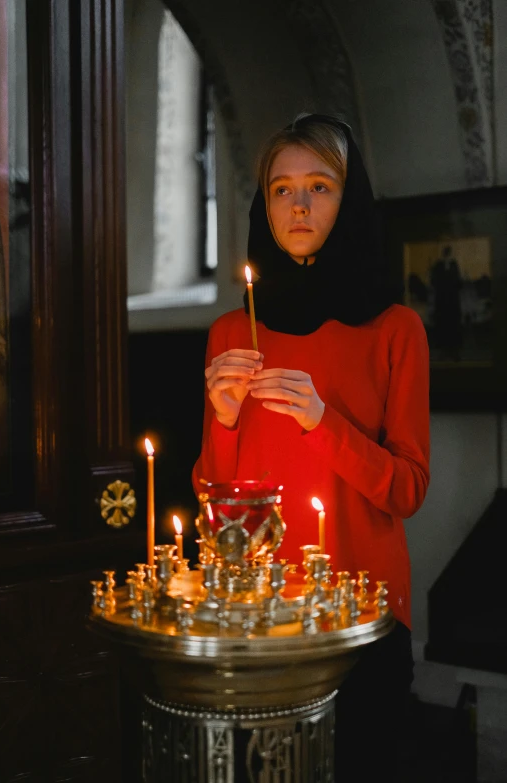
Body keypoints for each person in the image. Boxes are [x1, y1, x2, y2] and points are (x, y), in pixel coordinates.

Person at [192, 113, 430, 781]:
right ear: (262, 202)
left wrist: (324, 422)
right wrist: (225, 418)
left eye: (320, 186)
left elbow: (407, 488)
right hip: (261, 617)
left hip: (364, 618)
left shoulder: (395, 328)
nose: (297, 204)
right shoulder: (231, 332)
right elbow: (216, 507)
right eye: (281, 188)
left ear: (349, 198)